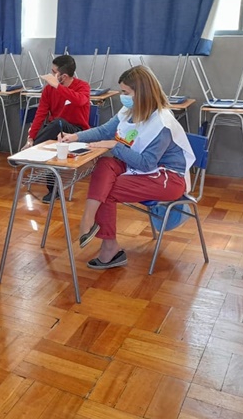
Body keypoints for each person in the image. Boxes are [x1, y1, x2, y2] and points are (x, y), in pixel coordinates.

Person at [60, 66, 194, 270]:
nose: (122, 96)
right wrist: (75, 137)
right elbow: (105, 131)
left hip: (168, 178)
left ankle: (109, 247)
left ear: (142, 92)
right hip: (140, 169)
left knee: (107, 189)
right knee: (105, 164)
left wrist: (115, 145)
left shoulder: (163, 123)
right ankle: (89, 218)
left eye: (125, 92)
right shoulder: (130, 110)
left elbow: (147, 163)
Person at [22, 54, 91, 203]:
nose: (50, 75)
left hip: (76, 131)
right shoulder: (48, 90)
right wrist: (31, 138)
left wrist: (58, 87)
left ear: (63, 76)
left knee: (58, 122)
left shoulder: (82, 86)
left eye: (54, 72)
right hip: (55, 130)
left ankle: (28, 153)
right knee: (53, 130)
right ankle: (53, 191)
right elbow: (40, 114)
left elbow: (80, 101)